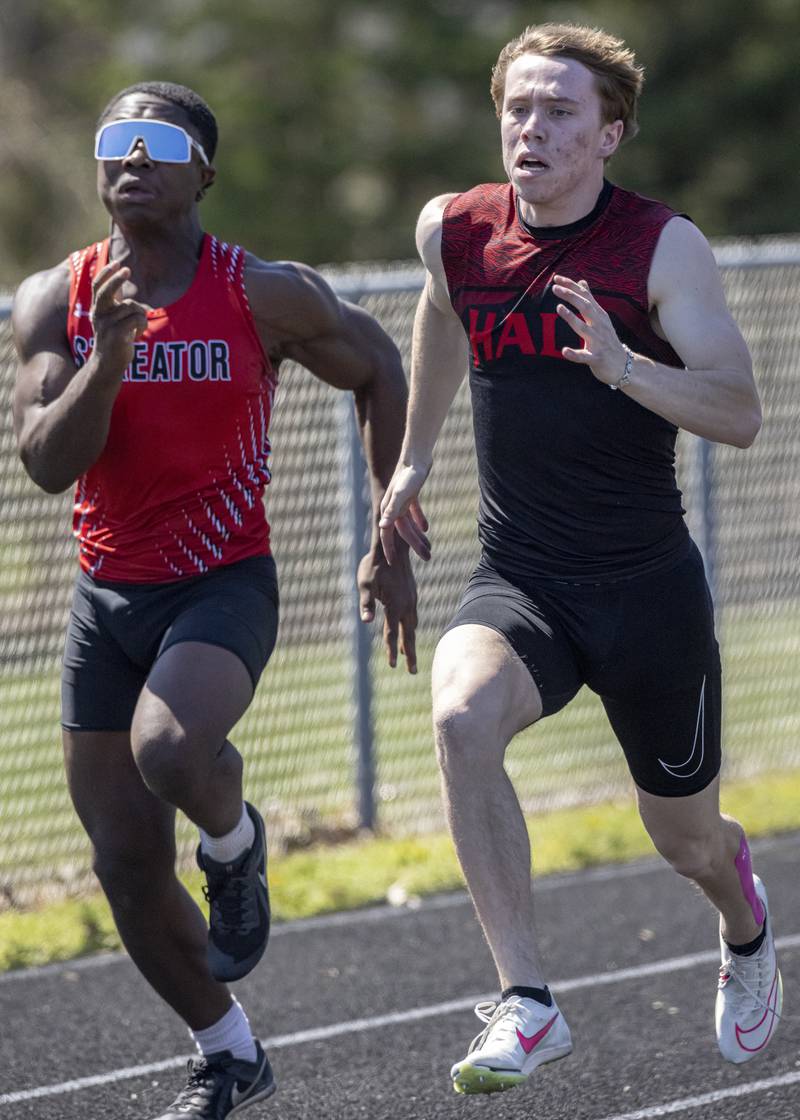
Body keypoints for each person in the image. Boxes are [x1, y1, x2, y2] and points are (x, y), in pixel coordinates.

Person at [379, 22, 782, 1097]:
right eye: (517, 105)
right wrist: (412, 459)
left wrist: (620, 368)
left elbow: (739, 412)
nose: (531, 127)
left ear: (608, 133)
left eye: (558, 111)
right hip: (523, 577)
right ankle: (526, 1002)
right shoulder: (453, 231)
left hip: (645, 589)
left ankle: (743, 930)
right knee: (460, 716)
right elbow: (439, 316)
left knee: (685, 844)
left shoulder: (659, 247)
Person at [12, 81, 416, 1119]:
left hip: (221, 581)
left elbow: (376, 360)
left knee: (172, 750)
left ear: (204, 170)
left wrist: (389, 524)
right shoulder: (54, 298)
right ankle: (228, 1052)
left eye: (157, 142)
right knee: (126, 866)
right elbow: (47, 465)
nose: (130, 160)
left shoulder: (257, 292)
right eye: (113, 141)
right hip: (109, 599)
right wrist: (105, 357)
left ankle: (235, 846)